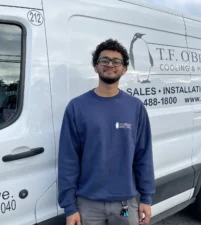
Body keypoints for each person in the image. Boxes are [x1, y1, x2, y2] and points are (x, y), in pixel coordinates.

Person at [58, 39, 155, 225]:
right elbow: (68, 160)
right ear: (96, 66)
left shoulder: (135, 108)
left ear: (124, 69)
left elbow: (143, 156)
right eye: (104, 60)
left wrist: (146, 198)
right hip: (87, 205)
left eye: (116, 61)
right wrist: (69, 207)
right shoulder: (77, 108)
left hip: (125, 204)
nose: (110, 64)